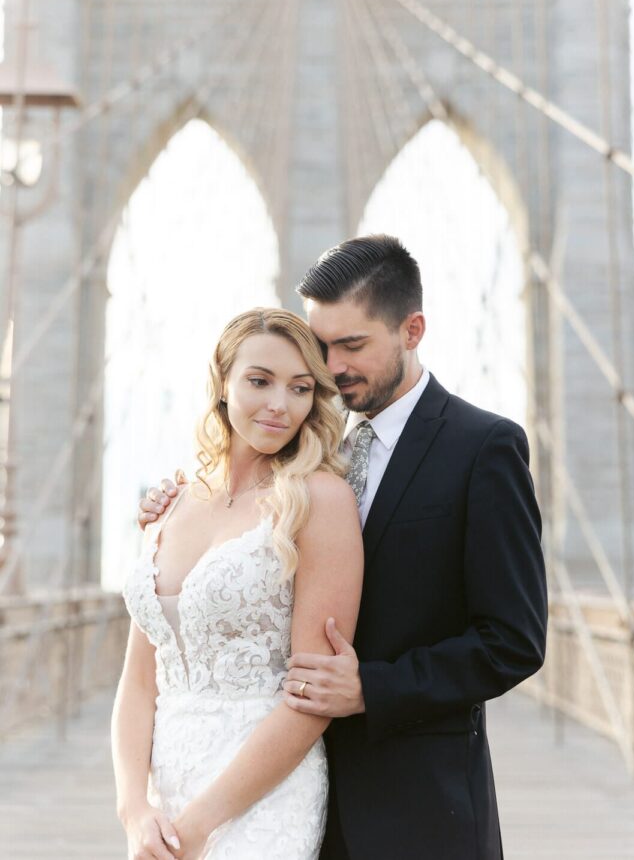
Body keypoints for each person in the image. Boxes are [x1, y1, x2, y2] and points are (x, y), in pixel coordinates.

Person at [139, 235, 548, 860]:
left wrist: (371, 689)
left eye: (351, 345)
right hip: (280, 793)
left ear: (412, 330)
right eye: (319, 345)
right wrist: (176, 516)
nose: (330, 368)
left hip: (415, 804)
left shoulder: (482, 447)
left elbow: (513, 640)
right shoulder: (309, 451)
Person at [112, 308, 364, 860]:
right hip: (166, 793)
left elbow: (311, 696)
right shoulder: (174, 501)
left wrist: (201, 824)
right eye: (259, 381)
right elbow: (138, 683)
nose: (280, 404)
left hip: (262, 796)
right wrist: (134, 809)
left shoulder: (319, 501)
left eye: (300, 389)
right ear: (223, 383)